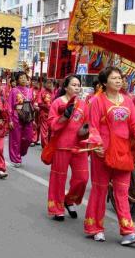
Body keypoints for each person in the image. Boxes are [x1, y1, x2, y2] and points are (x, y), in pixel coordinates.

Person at [85, 67, 135, 246]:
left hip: (123, 152)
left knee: (121, 191)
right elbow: (93, 126)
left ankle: (128, 231)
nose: (119, 81)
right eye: (114, 78)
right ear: (104, 82)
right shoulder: (97, 101)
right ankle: (95, 227)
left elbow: (133, 125)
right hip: (102, 152)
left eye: (120, 78)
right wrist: (96, 145)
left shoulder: (128, 101)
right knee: (100, 189)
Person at [47, 75, 89, 221]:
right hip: (62, 146)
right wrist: (64, 116)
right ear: (65, 87)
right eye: (73, 85)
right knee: (58, 178)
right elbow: (52, 124)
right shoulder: (57, 103)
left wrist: (86, 131)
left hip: (79, 146)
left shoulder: (84, 104)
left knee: (82, 178)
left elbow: (87, 124)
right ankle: (57, 208)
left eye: (78, 85)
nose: (77, 87)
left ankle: (69, 199)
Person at [8, 72, 34, 167]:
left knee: (28, 138)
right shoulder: (14, 90)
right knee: (16, 139)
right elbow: (10, 106)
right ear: (17, 80)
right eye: (21, 78)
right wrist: (10, 119)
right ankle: (16, 159)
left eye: (25, 78)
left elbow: (31, 104)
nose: (23, 79)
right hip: (16, 116)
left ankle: (21, 152)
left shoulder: (30, 90)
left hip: (28, 116)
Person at [37, 78, 54, 148]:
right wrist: (47, 107)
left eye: (51, 83)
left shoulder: (54, 92)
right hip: (44, 114)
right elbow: (39, 103)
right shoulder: (42, 92)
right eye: (48, 83)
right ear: (45, 84)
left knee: (51, 130)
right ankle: (45, 145)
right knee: (44, 130)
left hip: (52, 114)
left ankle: (49, 144)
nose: (49, 84)